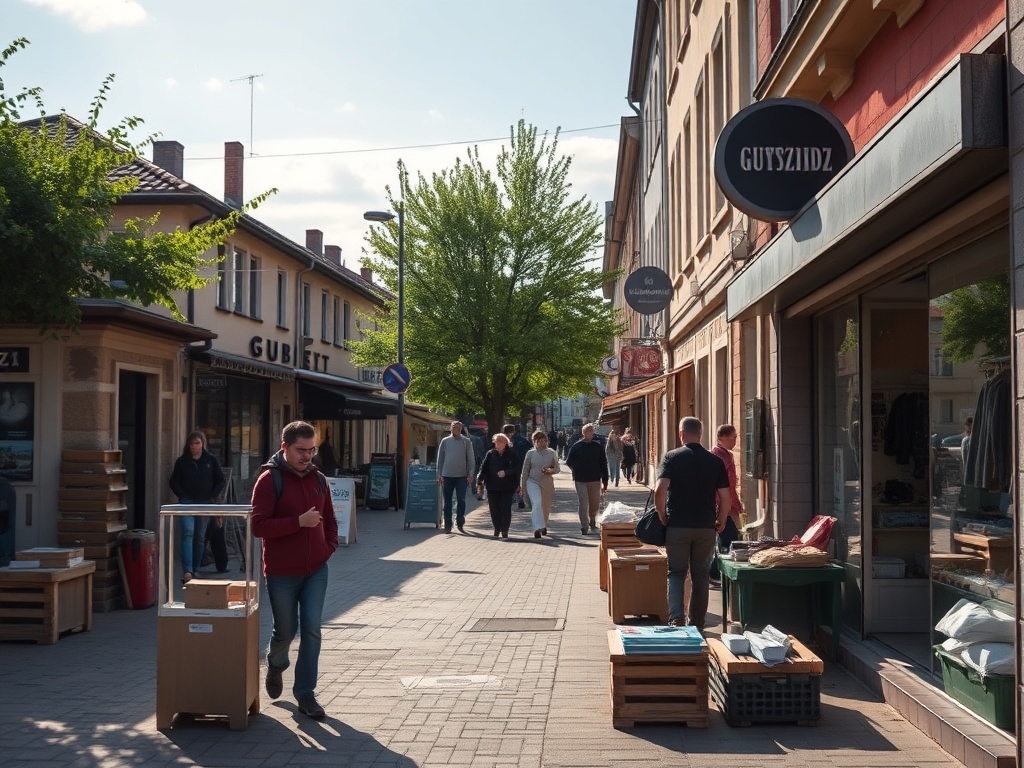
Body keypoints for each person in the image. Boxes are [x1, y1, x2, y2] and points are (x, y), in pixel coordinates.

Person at [251, 421, 337, 720]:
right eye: (302, 450)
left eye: (312, 450)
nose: (308, 456)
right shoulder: (268, 480)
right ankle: (276, 665)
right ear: (284, 446)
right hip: (282, 572)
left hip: (316, 569)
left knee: (312, 629)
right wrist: (296, 522)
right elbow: (258, 526)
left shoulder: (319, 479)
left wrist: (328, 546)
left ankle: (305, 694)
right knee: (285, 631)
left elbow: (329, 518)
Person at [655, 417, 730, 632]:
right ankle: (697, 622)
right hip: (706, 526)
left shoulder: (671, 457)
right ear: (701, 434)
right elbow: (725, 497)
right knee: (701, 575)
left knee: (676, 572)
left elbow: (661, 490)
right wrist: (721, 519)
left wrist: (662, 514)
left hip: (677, 525)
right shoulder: (715, 461)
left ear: (681, 434)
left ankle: (676, 618)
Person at [168, 430, 226, 583]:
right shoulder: (182, 461)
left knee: (200, 537)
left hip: (205, 502)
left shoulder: (210, 460)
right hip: (187, 503)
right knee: (188, 532)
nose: (195, 446)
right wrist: (182, 495)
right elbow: (173, 481)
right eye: (192, 443)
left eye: (198, 443)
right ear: (188, 445)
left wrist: (213, 496)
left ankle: (195, 569)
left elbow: (220, 480)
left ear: (203, 444)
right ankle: (187, 570)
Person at [708, 424, 744, 587]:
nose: (735, 440)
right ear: (722, 438)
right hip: (722, 505)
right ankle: (715, 573)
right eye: (733, 437)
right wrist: (732, 505)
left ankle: (715, 572)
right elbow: (725, 486)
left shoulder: (724, 455)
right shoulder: (719, 456)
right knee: (729, 540)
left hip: (726, 503)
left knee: (728, 539)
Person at [564, 422, 608, 535]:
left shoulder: (597, 447)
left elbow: (603, 463)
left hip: (594, 478)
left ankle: (592, 520)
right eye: (588, 431)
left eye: (591, 431)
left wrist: (605, 480)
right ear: (583, 433)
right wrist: (576, 469)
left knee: (594, 503)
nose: (590, 433)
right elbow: (569, 462)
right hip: (580, 479)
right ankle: (584, 525)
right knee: (583, 502)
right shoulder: (576, 446)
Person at [476, 433, 520, 538]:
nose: (499, 443)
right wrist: (479, 479)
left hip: (507, 486)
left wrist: (506, 472)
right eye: (497, 441)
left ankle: (505, 530)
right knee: (494, 509)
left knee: (505, 508)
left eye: (502, 441)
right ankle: (497, 528)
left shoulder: (512, 454)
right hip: (492, 486)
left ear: (506, 443)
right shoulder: (490, 454)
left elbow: (517, 468)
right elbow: (484, 467)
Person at [435, 421, 475, 533]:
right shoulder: (445, 441)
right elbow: (440, 458)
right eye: (453, 427)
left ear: (461, 428)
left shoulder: (466, 442)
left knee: (461, 500)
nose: (455, 429)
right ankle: (448, 523)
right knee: (447, 501)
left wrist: (470, 474)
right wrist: (439, 474)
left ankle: (460, 521)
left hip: (462, 476)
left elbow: (471, 459)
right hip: (447, 475)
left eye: (458, 427)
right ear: (450, 429)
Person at [520, 430, 561, 538]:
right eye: (538, 441)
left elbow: (557, 468)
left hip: (547, 482)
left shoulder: (551, 452)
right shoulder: (530, 453)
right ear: (534, 442)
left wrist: (550, 470)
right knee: (537, 503)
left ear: (547, 441)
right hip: (532, 481)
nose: (541, 443)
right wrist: (522, 486)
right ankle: (537, 528)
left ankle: (544, 525)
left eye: (544, 441)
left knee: (545, 507)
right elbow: (525, 471)